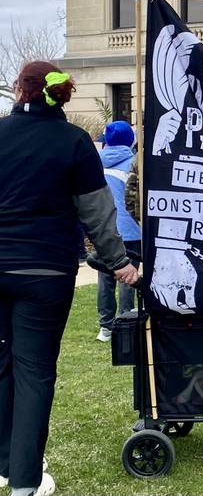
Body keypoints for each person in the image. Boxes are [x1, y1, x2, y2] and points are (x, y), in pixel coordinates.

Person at [0, 61, 139, 496]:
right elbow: (98, 214)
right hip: (45, 271)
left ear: (20, 91)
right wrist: (120, 263)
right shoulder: (75, 143)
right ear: (61, 95)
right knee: (34, 372)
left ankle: (6, 462)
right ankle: (24, 480)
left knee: (2, 367)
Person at [95, 121, 142, 343]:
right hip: (131, 230)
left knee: (105, 278)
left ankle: (105, 327)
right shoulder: (135, 163)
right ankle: (125, 320)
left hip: (104, 230)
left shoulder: (95, 164)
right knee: (128, 277)